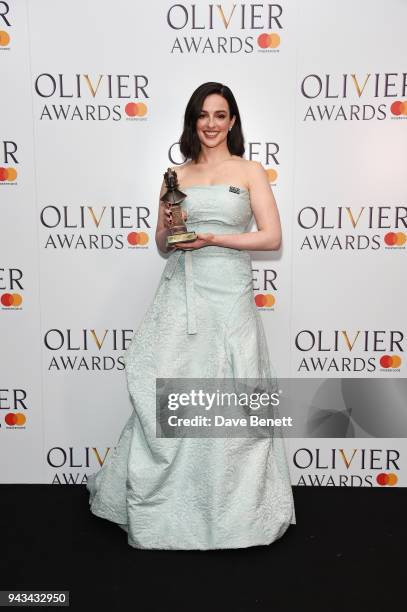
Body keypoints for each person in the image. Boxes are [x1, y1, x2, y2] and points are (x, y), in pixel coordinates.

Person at [86, 82, 296, 550]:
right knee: (171, 390)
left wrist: (215, 239)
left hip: (229, 294)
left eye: (220, 115)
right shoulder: (174, 176)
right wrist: (174, 231)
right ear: (192, 121)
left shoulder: (250, 171)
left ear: (233, 121)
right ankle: (170, 505)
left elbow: (271, 238)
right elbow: (162, 242)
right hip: (181, 291)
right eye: (203, 115)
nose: (211, 124)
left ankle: (236, 512)